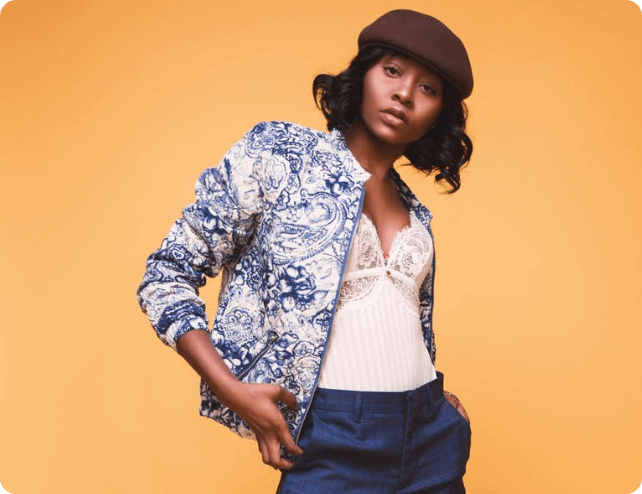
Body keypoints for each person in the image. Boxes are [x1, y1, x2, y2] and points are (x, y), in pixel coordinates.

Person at [138, 9, 474, 494]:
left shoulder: (415, 211)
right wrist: (233, 392)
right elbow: (165, 275)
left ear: (438, 114)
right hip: (328, 435)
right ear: (363, 75)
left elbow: (399, 324)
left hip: (430, 438)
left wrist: (437, 403)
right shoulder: (280, 156)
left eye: (428, 88)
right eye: (392, 71)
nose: (404, 93)